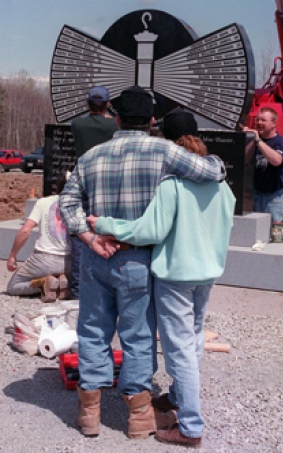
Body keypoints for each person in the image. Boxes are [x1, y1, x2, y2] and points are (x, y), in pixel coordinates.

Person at [59, 86, 226, 440]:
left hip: (95, 255)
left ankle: (89, 413)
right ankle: (137, 417)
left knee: (92, 329)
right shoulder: (164, 150)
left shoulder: (91, 156)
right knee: (138, 335)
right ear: (151, 122)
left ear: (116, 117)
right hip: (139, 257)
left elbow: (68, 203)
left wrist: (89, 238)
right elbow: (213, 172)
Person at [69, 86, 118, 299]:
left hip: (83, 180)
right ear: (107, 103)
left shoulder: (77, 124)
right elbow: (115, 121)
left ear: (88, 103)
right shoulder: (112, 126)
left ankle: (79, 289)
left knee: (82, 234)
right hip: (108, 182)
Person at [7, 172, 71, 302]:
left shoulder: (44, 202)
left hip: (43, 259)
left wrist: (13, 255)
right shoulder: (79, 205)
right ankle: (62, 281)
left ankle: (43, 283)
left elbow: (25, 231)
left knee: (13, 286)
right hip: (69, 260)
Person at [243, 107, 283, 224]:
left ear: (273, 123)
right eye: (257, 120)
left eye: (263, 120)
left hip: (274, 198)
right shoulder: (254, 142)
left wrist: (259, 142)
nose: (259, 123)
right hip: (255, 194)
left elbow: (277, 161)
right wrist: (254, 141)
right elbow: (244, 160)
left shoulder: (281, 143)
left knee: (274, 234)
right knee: (254, 230)